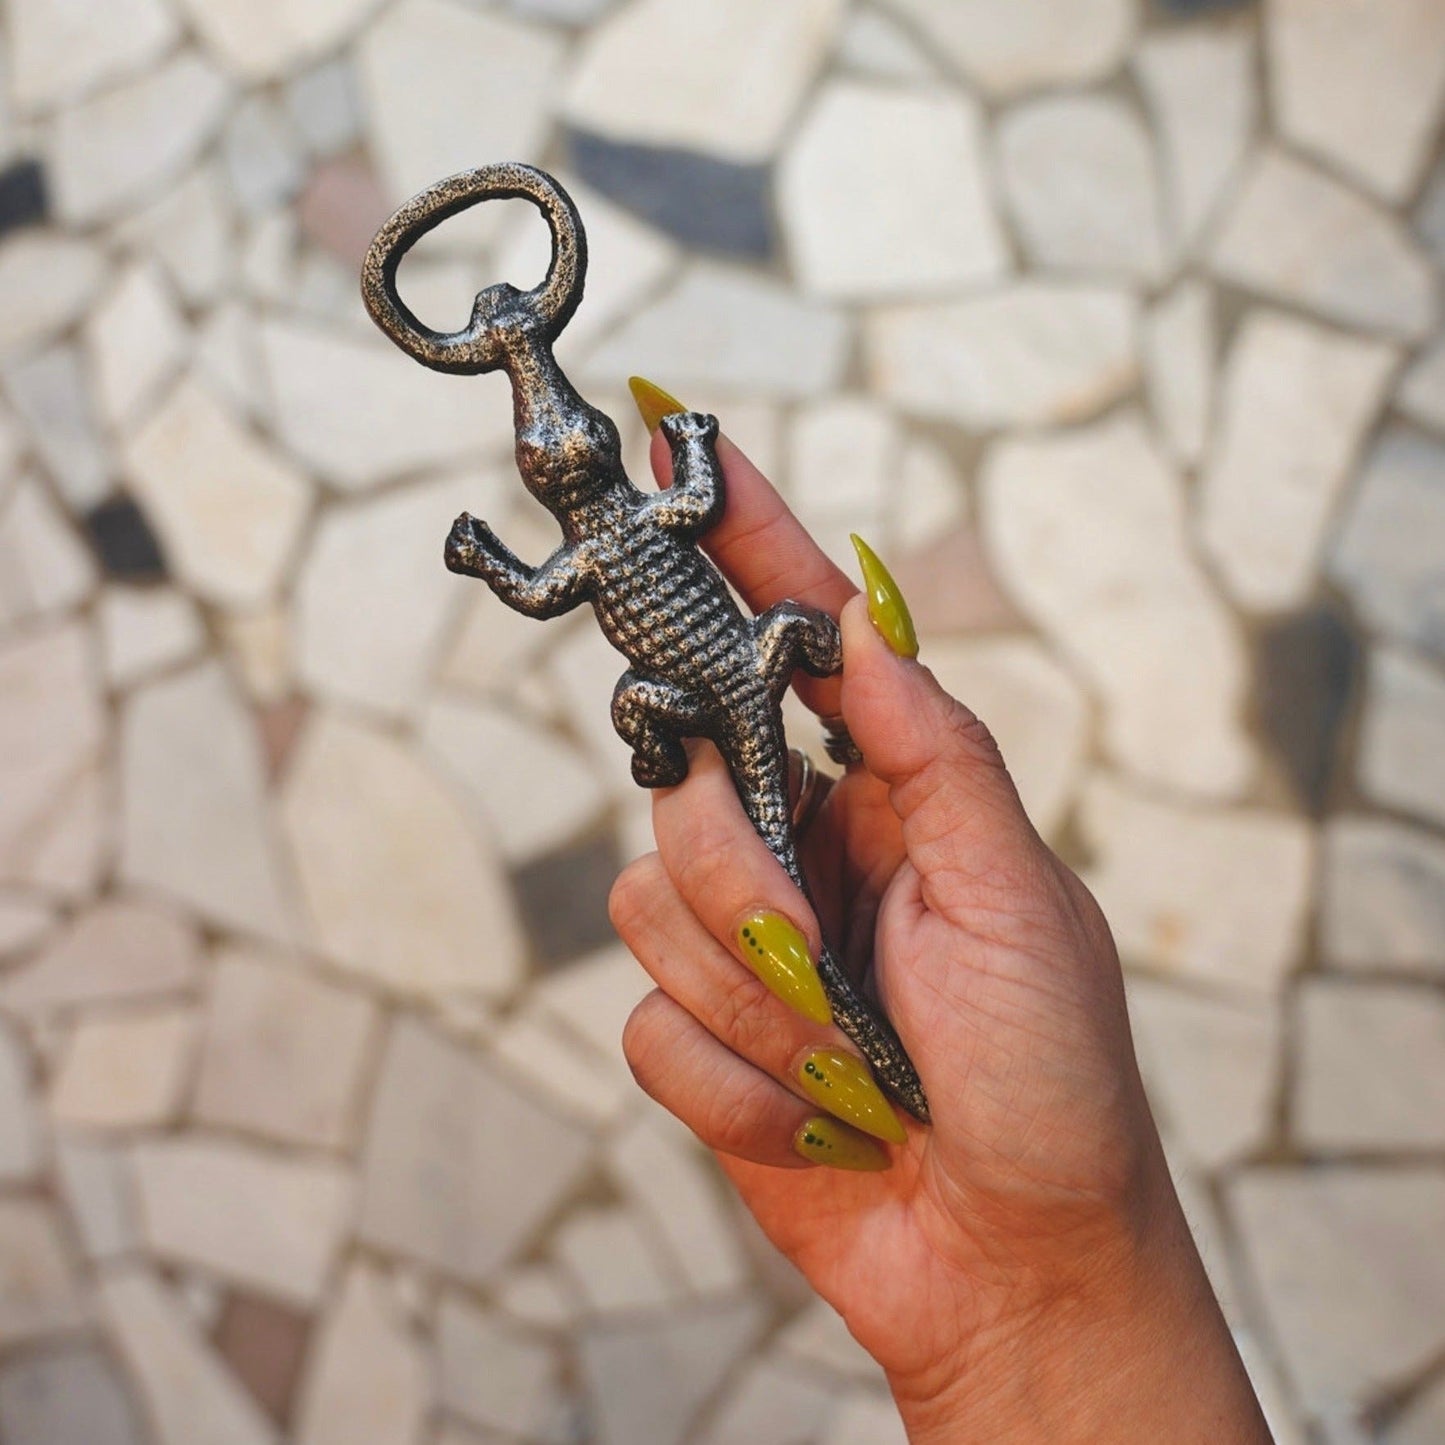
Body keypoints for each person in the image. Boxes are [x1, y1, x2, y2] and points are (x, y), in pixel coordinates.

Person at [608, 379, 1273, 1443]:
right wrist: (1023, 1314)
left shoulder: (626, 530)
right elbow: (637, 527)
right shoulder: (608, 538)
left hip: (744, 670)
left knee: (751, 727)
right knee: (718, 813)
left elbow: (688, 505)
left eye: (570, 444)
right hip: (743, 679)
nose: (561, 454)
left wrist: (1050, 1289)